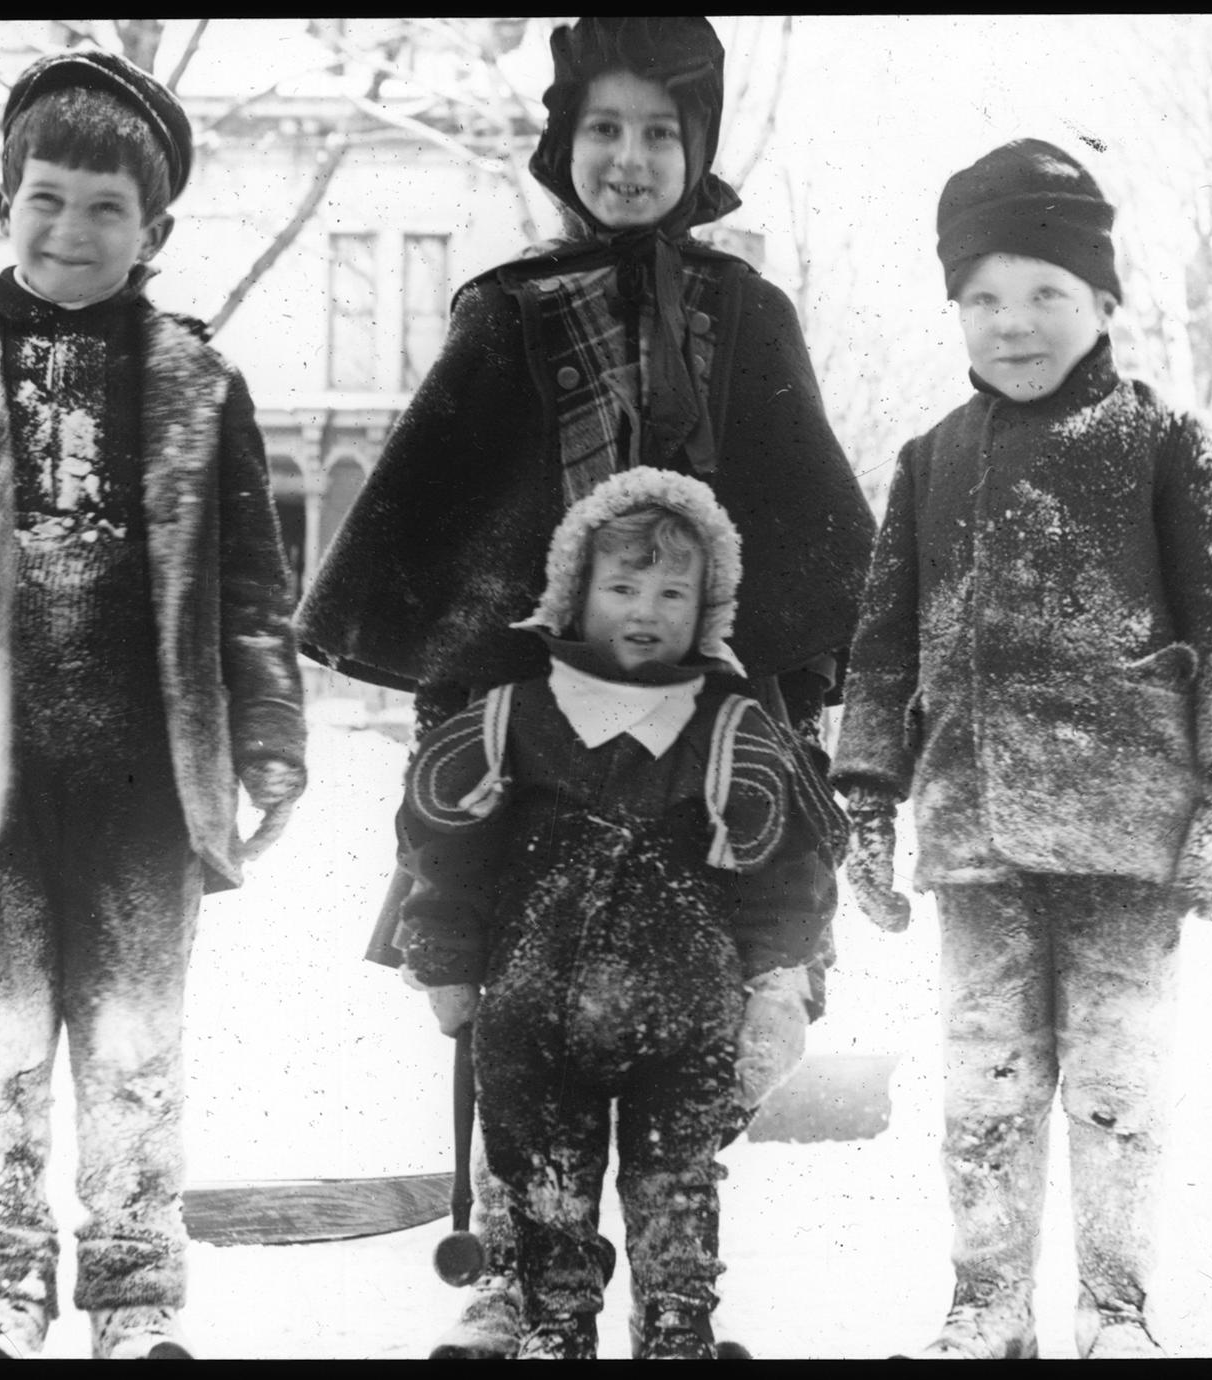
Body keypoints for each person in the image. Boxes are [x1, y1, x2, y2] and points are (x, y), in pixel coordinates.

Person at [292, 14, 875, 1358]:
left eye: (659, 132)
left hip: (708, 705)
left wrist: (800, 683)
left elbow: (803, 518)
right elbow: (449, 508)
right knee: (515, 995)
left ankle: (675, 1293)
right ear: (565, 143)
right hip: (543, 717)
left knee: (718, 991)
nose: (628, 157)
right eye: (602, 130)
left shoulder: (748, 313)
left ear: (699, 147)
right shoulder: (506, 310)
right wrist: (466, 682)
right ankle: (516, 1280)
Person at [0, 50, 307, 1361]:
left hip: (142, 793)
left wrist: (270, 735)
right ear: (5, 203)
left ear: (153, 229)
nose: (70, 230)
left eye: (105, 208)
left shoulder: (197, 386)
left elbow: (249, 590)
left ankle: (135, 1300)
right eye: (45, 199)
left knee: (131, 1057)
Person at [832, 138, 1212, 1360]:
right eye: (981, 296)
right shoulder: (928, 461)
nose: (1010, 323)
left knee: (1116, 1087)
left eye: (1044, 293)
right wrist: (865, 803)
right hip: (974, 836)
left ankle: (1113, 1310)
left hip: (1129, 840)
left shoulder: (1163, 441)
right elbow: (879, 652)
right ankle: (984, 1308)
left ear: (1101, 300)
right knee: (982, 1085)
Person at [398, 468, 847, 1360]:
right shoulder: (511, 719)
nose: (646, 611)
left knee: (675, 1182)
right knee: (544, 1182)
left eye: (674, 592)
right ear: (573, 595)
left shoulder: (730, 729)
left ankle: (677, 1317)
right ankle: (556, 1320)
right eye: (622, 588)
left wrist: (779, 981)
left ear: (709, 607)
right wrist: (445, 961)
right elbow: (448, 856)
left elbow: (783, 873)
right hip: (533, 1021)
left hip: (686, 1024)